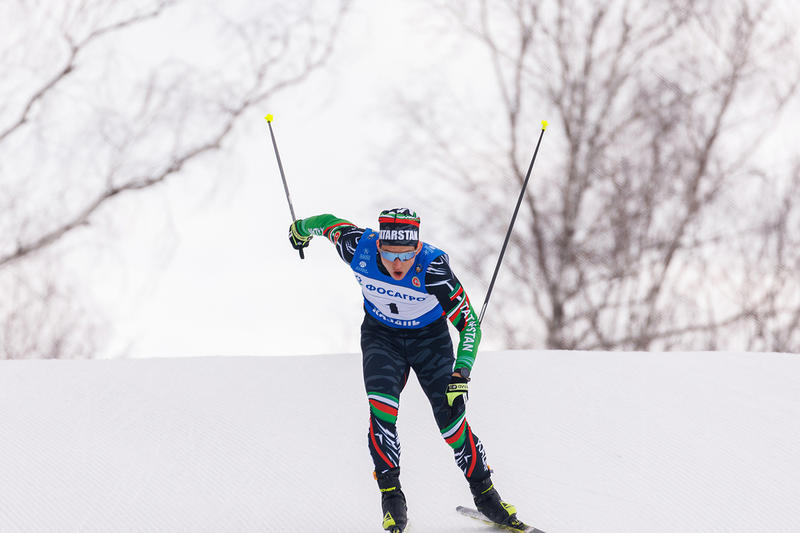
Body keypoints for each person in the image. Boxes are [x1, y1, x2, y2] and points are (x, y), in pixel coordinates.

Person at [288, 208, 521, 533]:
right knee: (382, 411)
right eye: (389, 254)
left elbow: (469, 324)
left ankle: (486, 495)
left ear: (417, 248)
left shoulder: (433, 268)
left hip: (430, 341)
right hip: (382, 337)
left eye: (406, 255)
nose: (397, 264)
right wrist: (300, 229)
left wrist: (461, 374)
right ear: (378, 245)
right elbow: (327, 224)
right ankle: (392, 501)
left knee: (451, 421)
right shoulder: (358, 247)